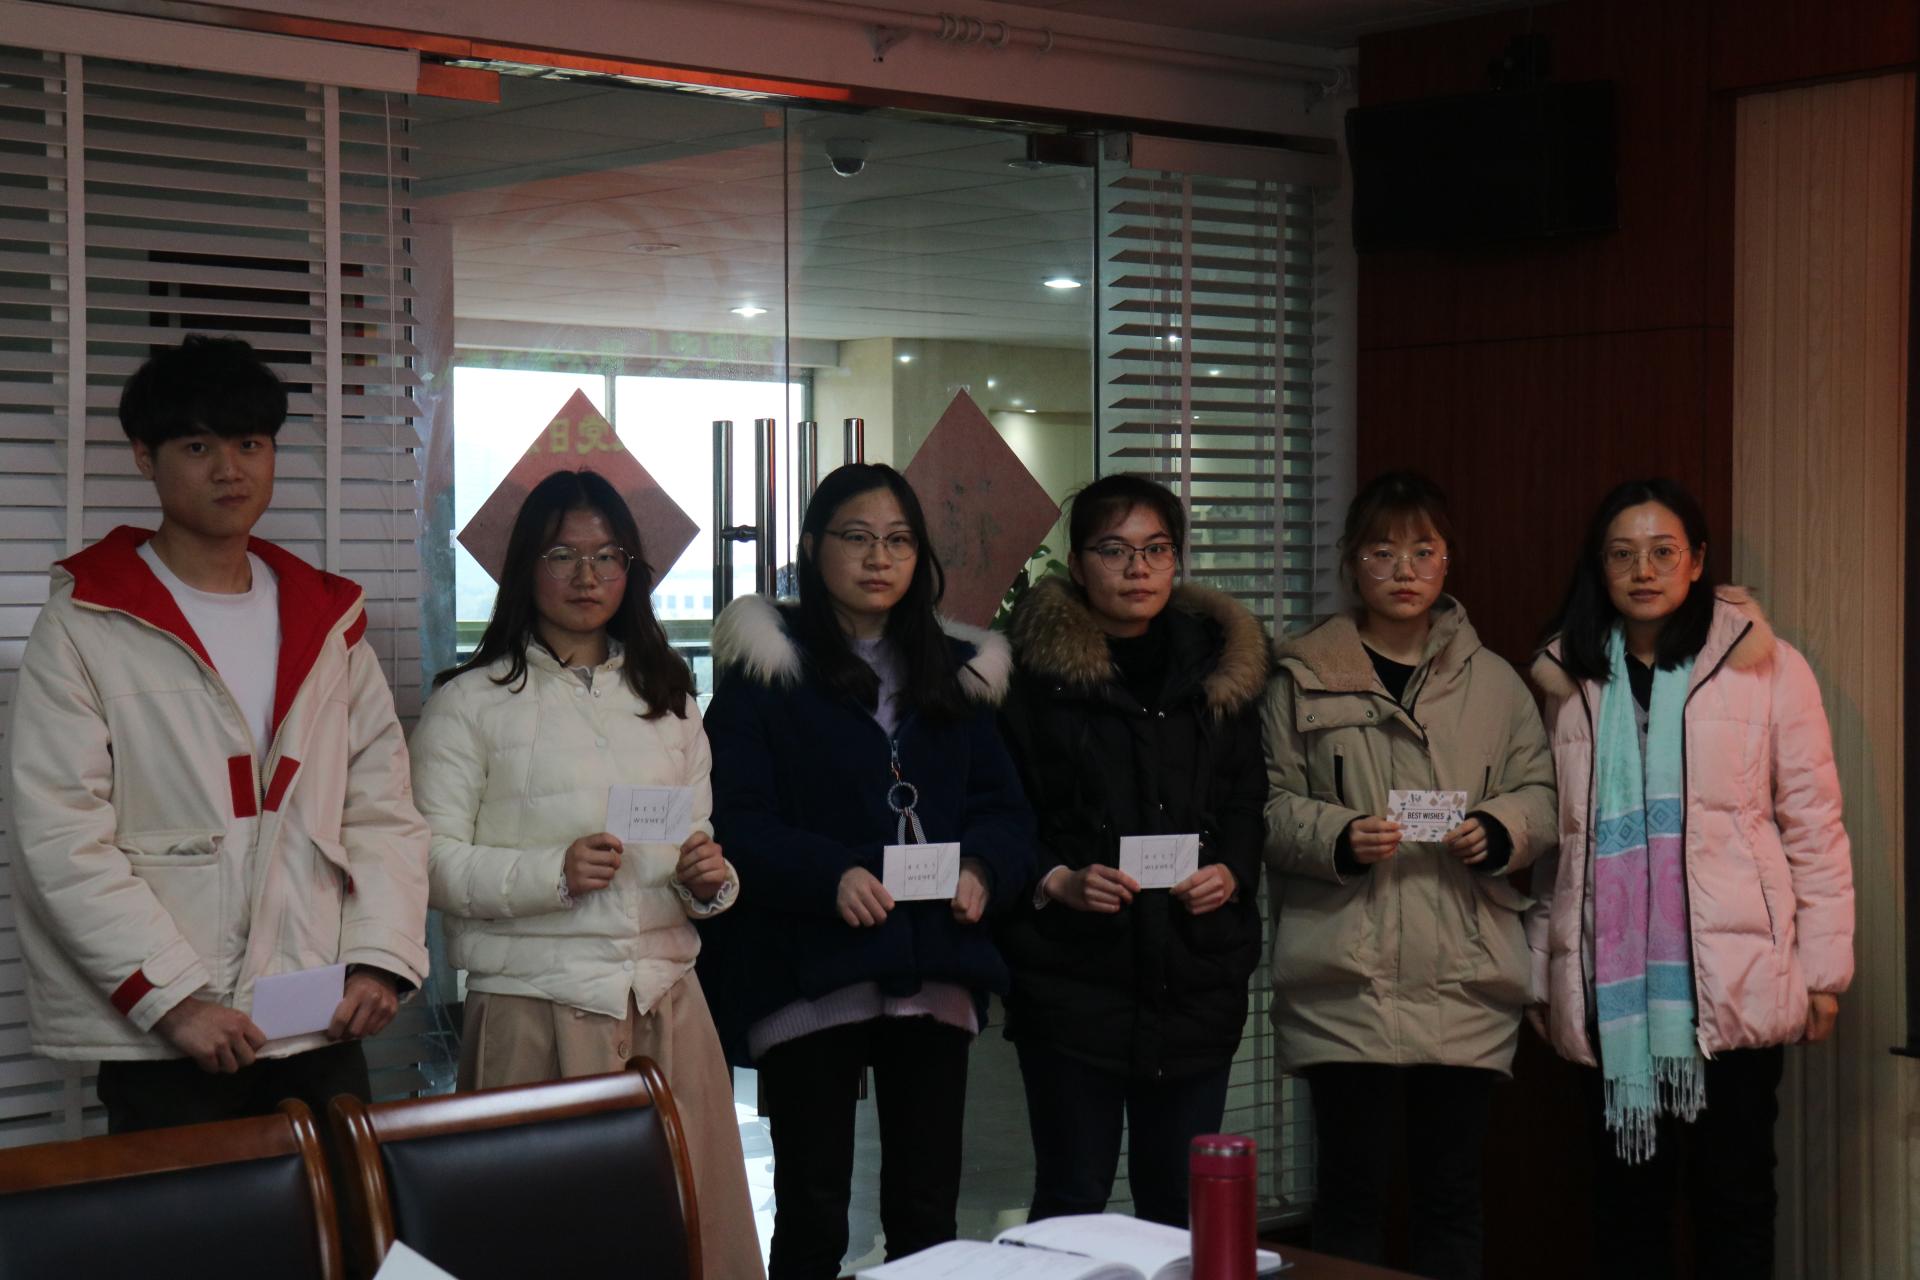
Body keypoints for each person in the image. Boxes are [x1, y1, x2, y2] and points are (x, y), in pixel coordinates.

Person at [6, 335, 429, 1132]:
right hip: (176, 1039)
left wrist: (379, 961)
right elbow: (58, 834)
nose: (229, 470)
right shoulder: (87, 622)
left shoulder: (325, 621)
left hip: (320, 1018)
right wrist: (173, 1001)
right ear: (145, 456)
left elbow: (382, 811)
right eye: (198, 447)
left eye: (249, 444)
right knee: (181, 1214)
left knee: (346, 1209)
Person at [409, 468, 762, 1279]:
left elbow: (695, 844)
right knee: (543, 1242)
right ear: (524, 567)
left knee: (687, 1239)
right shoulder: (469, 702)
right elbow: (426, 861)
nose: (587, 576)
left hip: (667, 1005)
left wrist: (708, 881)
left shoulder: (668, 698)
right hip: (534, 1010)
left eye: (607, 557)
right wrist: (554, 873)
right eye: (562, 554)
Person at [698, 463, 1037, 1280]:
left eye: (899, 540)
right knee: (814, 1211)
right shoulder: (766, 672)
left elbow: (1005, 810)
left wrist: (983, 869)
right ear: (813, 547)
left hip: (934, 961)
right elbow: (734, 816)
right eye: (857, 538)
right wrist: (832, 874)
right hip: (811, 966)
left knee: (927, 1209)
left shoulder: (959, 669)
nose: (879, 558)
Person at [1530, 478, 1852, 1280]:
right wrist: (1542, 972)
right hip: (1611, 988)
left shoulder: (1766, 667)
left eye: (1663, 551)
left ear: (1698, 560)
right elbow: (1556, 846)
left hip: (1735, 980)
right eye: (1622, 554)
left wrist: (1822, 972)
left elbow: (1813, 824)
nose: (1643, 570)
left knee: (1734, 1200)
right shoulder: (1568, 678)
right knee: (1624, 1208)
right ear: (1599, 567)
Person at [1262, 471, 1557, 1280]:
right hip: (1344, 976)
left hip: (1464, 974)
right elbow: (1266, 806)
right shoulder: (1299, 677)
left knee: (1450, 1196)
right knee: (1349, 1197)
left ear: (1448, 559)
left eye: (1423, 550)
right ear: (1350, 562)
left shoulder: (1495, 682)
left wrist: (1499, 829)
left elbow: (1541, 794)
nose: (1404, 569)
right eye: (1381, 551)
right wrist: (1338, 834)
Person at [996, 474, 1268, 1228]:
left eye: (1156, 549)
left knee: (1179, 1207)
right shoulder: (1029, 678)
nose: (1137, 568)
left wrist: (1232, 871)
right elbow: (1003, 812)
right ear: (1078, 563)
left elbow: (1246, 797)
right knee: (1071, 1200)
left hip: (1195, 972)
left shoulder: (1219, 666)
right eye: (1113, 550)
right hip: (1072, 978)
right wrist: (1056, 879)